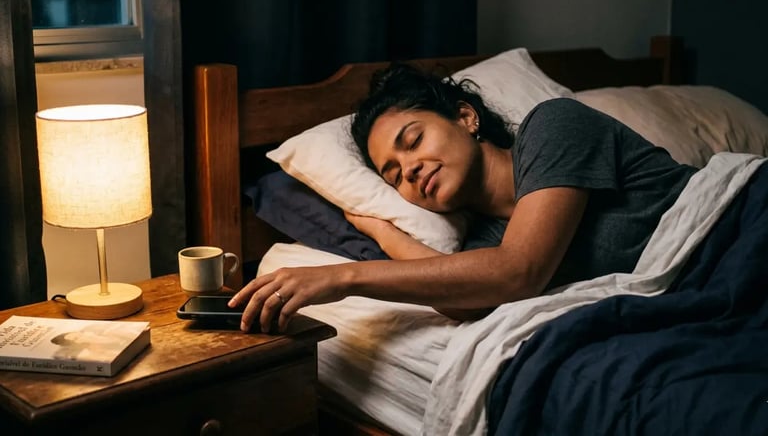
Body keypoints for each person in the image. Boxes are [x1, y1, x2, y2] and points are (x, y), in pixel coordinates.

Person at [229, 62, 697, 333]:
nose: (408, 169)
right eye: (393, 177)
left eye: (412, 141)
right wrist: (380, 229)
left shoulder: (554, 127)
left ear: (466, 118)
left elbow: (520, 271)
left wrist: (344, 276)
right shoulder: (485, 246)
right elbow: (463, 302)